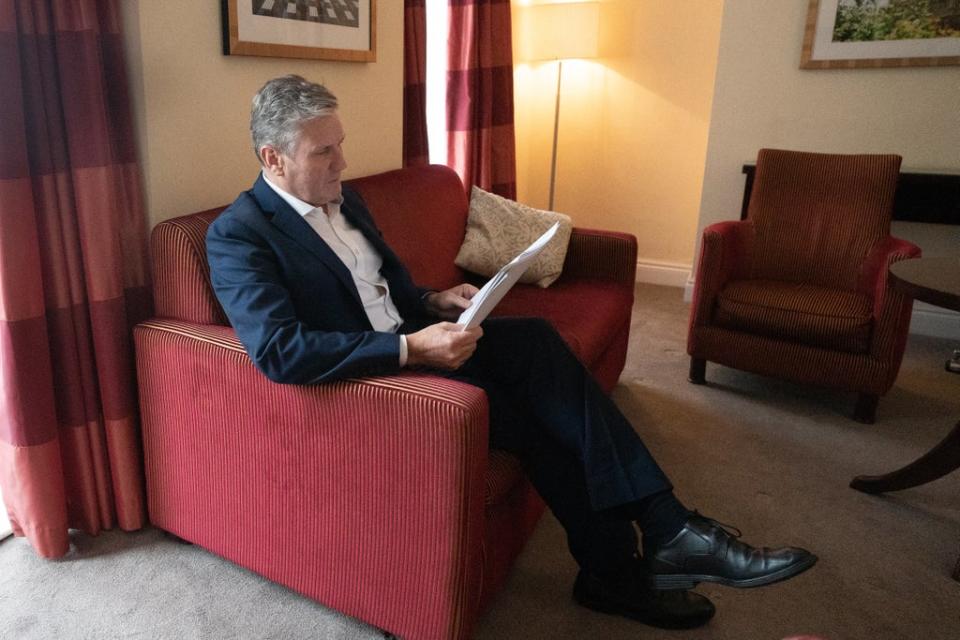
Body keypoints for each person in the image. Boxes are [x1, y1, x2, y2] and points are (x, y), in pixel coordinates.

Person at [206, 75, 817, 630]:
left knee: (539, 345)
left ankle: (662, 531)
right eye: (325, 152)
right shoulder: (239, 235)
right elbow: (279, 350)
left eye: (340, 143)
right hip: (385, 376)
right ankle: (642, 555)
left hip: (424, 335)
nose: (344, 161)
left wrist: (435, 298)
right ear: (273, 159)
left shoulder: (348, 200)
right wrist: (409, 348)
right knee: (544, 425)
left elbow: (385, 287)